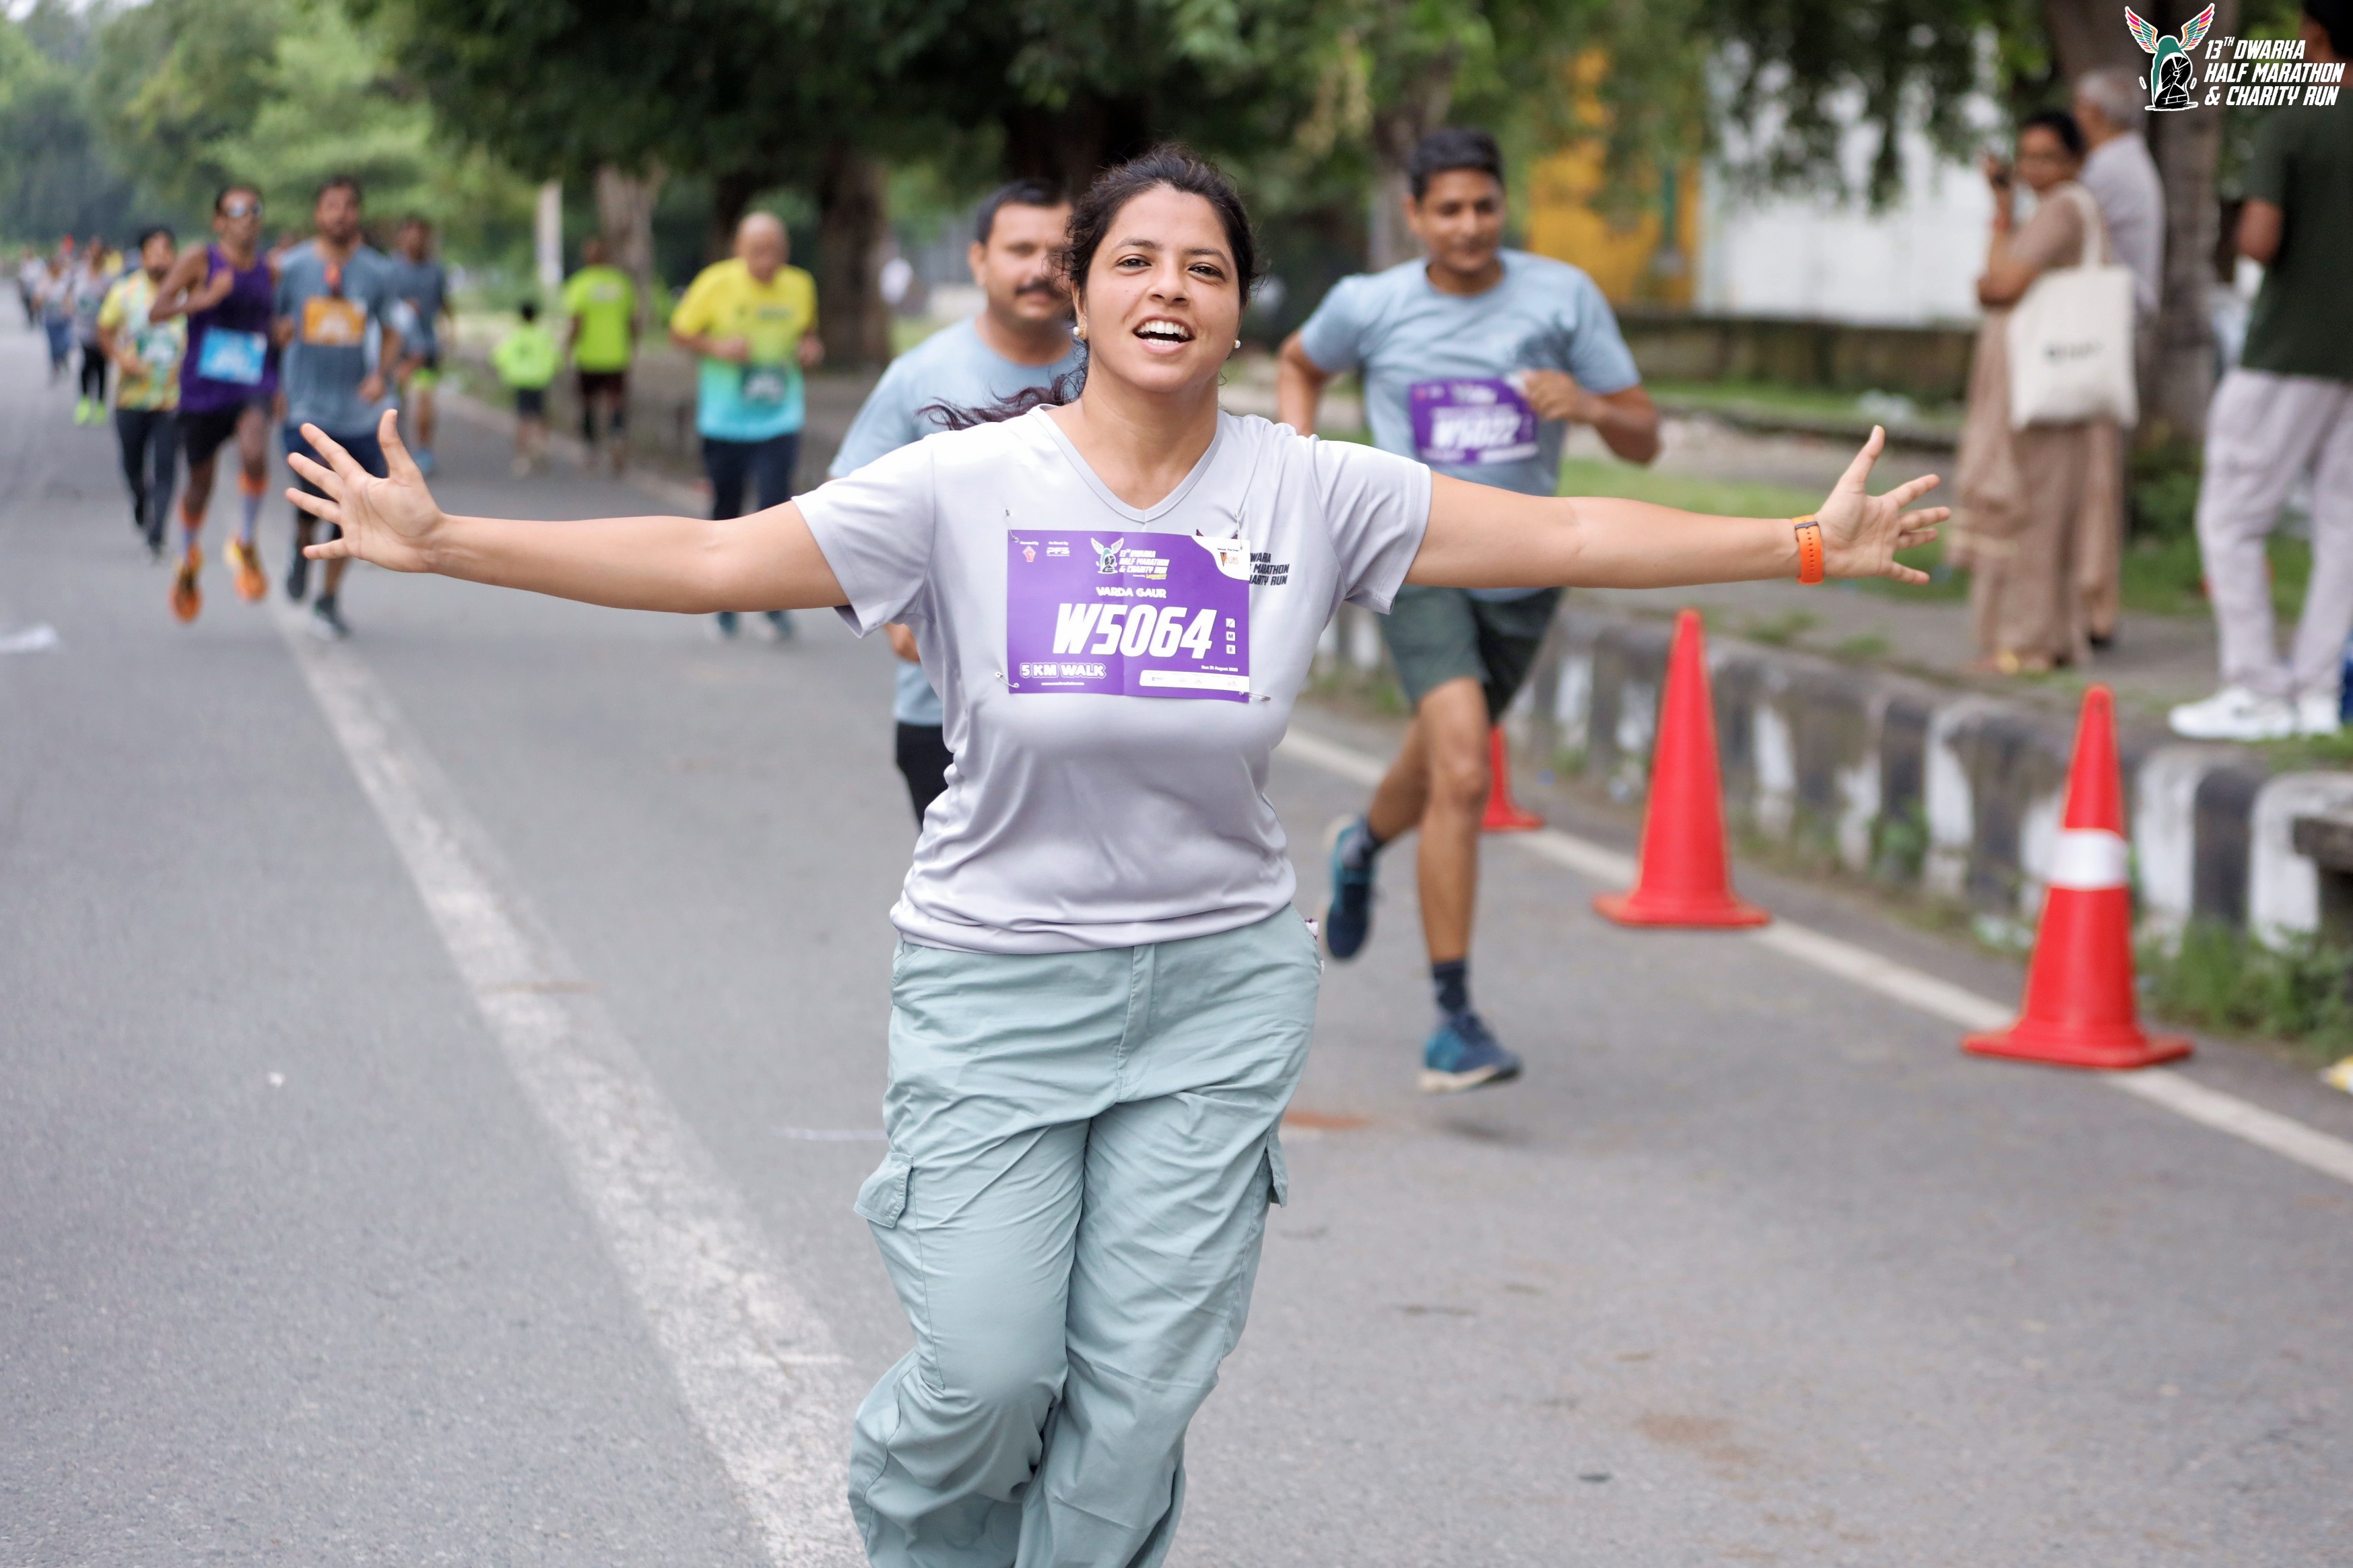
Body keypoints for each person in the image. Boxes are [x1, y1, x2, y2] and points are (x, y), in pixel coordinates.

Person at [283, 146, 1946, 1568]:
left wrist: (1805, 540)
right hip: (996, 980)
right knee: (992, 1369)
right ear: (1071, 294)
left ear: (1240, 313)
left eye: (1204, 268)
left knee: (1139, 1398)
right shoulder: (960, 483)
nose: (1170, 288)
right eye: (1134, 260)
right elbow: (715, 554)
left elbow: (1567, 525)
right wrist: (452, 541)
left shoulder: (1314, 489)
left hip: (1216, 989)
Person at [1276, 126, 1662, 1093]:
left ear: (1503, 204)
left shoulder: (1561, 297)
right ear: (1413, 215)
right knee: (1461, 767)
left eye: (1483, 205)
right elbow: (1298, 362)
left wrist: (1590, 406)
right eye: (1446, 209)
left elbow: (1644, 438)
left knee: (1437, 758)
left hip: (1528, 567)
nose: (1467, 225)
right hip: (1416, 557)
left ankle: (1361, 844)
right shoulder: (1368, 304)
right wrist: (1298, 470)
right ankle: (1454, 1018)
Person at [829, 178, 1080, 823]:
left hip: (1092, 707)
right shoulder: (920, 376)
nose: (1040, 269)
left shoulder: (1115, 375)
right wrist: (897, 620)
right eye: (1019, 249)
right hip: (944, 716)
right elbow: (843, 515)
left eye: (1059, 253)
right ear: (979, 260)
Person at [2169, 0, 2352, 741]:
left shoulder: (2296, 120)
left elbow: (2258, 240)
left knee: (2231, 517)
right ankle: (2316, 693)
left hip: (2288, 351)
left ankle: (2255, 687)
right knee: (2344, 526)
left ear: (2314, 33)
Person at [1950, 109, 2123, 675]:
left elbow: (1999, 285)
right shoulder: (2056, 209)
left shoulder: (2064, 208)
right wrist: (2003, 211)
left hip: (2045, 391)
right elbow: (1999, 276)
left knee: (2033, 514)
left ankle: (2027, 644)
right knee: (2040, 510)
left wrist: (1992, 273)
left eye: (2049, 157)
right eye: (2027, 156)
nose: (2034, 168)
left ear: (2076, 161)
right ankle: (2041, 638)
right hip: (2041, 386)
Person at [668, 211, 820, 640]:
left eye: (774, 251)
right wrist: (717, 347)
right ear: (738, 249)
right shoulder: (716, 282)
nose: (766, 261)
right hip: (725, 421)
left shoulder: (800, 285)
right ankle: (723, 603)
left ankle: (772, 606)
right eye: (756, 251)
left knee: (776, 513)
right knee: (727, 514)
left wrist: (811, 349)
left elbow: (808, 334)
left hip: (779, 418)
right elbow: (680, 332)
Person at [274, 174, 403, 640]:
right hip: (306, 408)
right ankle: (301, 545)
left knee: (356, 506)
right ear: (317, 213)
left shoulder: (377, 271)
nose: (340, 215)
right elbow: (272, 325)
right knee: (320, 497)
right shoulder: (291, 267)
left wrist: (380, 374)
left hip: (358, 412)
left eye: (349, 206)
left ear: (358, 214)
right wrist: (277, 364)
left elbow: (393, 329)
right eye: (331, 205)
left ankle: (328, 597)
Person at [150, 184, 279, 622]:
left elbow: (268, 323)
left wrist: (281, 335)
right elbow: (157, 310)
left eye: (254, 209)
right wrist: (204, 299)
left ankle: (245, 540)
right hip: (204, 389)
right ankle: (188, 558)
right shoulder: (201, 259)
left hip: (253, 381)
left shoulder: (268, 269)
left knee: (255, 452)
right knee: (199, 485)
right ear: (219, 221)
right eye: (236, 210)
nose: (247, 218)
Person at [2070, 65, 2166, 650]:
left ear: (2094, 114)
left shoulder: (2107, 172)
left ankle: (2091, 606)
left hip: (2100, 337)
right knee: (2096, 475)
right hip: (2113, 332)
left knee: (2090, 476)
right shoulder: (2130, 165)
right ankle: (2090, 603)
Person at [97, 226, 187, 559]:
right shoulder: (124, 292)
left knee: (166, 465)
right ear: (142, 256)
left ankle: (157, 532)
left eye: (166, 250)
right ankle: (140, 499)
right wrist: (121, 359)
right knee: (132, 464)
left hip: (172, 398)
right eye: (153, 251)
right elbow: (104, 330)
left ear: (175, 255)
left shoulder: (186, 295)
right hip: (131, 396)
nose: (160, 258)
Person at [562, 236, 638, 475]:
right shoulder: (621, 283)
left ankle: (590, 447)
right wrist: (632, 346)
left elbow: (577, 322)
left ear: (588, 258)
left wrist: (568, 347)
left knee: (587, 403)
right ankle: (617, 438)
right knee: (616, 402)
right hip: (617, 355)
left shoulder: (580, 284)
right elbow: (633, 321)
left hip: (588, 355)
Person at [387, 216, 453, 475]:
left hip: (427, 348)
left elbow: (445, 304)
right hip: (399, 348)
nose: (415, 241)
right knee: (396, 405)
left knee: (425, 402)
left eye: (420, 236)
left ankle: (425, 452)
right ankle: (397, 454)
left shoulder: (436, 270)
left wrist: (449, 334)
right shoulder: (391, 269)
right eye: (410, 235)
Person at [493, 300, 559, 474]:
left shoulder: (515, 335)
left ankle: (522, 456)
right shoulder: (543, 335)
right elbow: (555, 358)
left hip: (521, 381)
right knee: (541, 417)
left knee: (523, 419)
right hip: (540, 381)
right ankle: (541, 449)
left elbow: (499, 357)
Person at [71, 246, 116, 425]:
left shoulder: (108, 279)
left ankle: (101, 403)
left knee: (101, 366)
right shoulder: (79, 276)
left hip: (103, 329)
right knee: (87, 363)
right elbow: (72, 298)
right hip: (84, 328)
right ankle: (84, 401)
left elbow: (113, 302)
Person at [37, 253, 73, 384]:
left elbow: (70, 297)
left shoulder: (65, 280)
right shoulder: (44, 281)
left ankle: (63, 357)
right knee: (53, 346)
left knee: (66, 343)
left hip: (64, 318)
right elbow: (37, 300)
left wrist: (69, 307)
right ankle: (55, 366)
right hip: (50, 319)